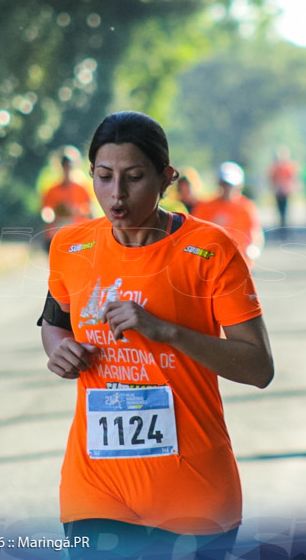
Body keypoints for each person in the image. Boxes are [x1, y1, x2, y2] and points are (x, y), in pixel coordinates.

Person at [37, 111, 273, 559]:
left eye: (134, 177)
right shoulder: (70, 247)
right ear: (91, 175)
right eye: (104, 177)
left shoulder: (211, 249)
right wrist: (61, 352)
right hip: (96, 488)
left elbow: (259, 367)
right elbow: (55, 321)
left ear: (167, 178)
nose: (116, 194)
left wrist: (165, 331)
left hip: (193, 489)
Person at [192, 162, 264, 265]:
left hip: (239, 262)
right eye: (224, 184)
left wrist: (254, 248)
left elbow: (255, 231)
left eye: (230, 185)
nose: (227, 188)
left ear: (239, 185)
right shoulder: (204, 206)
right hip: (212, 263)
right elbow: (195, 236)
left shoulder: (246, 206)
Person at [40, 147, 93, 250]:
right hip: (59, 234)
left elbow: (91, 213)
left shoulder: (82, 189)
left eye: (69, 165)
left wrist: (75, 211)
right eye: (64, 165)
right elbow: (46, 213)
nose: (67, 168)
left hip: (79, 236)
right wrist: (55, 214)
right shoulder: (52, 191)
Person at [267, 145, 299, 234]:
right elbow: (271, 178)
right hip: (278, 190)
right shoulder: (275, 166)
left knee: (285, 208)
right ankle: (281, 225)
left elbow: (292, 177)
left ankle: (285, 226)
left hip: (286, 190)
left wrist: (293, 187)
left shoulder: (289, 166)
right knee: (279, 208)